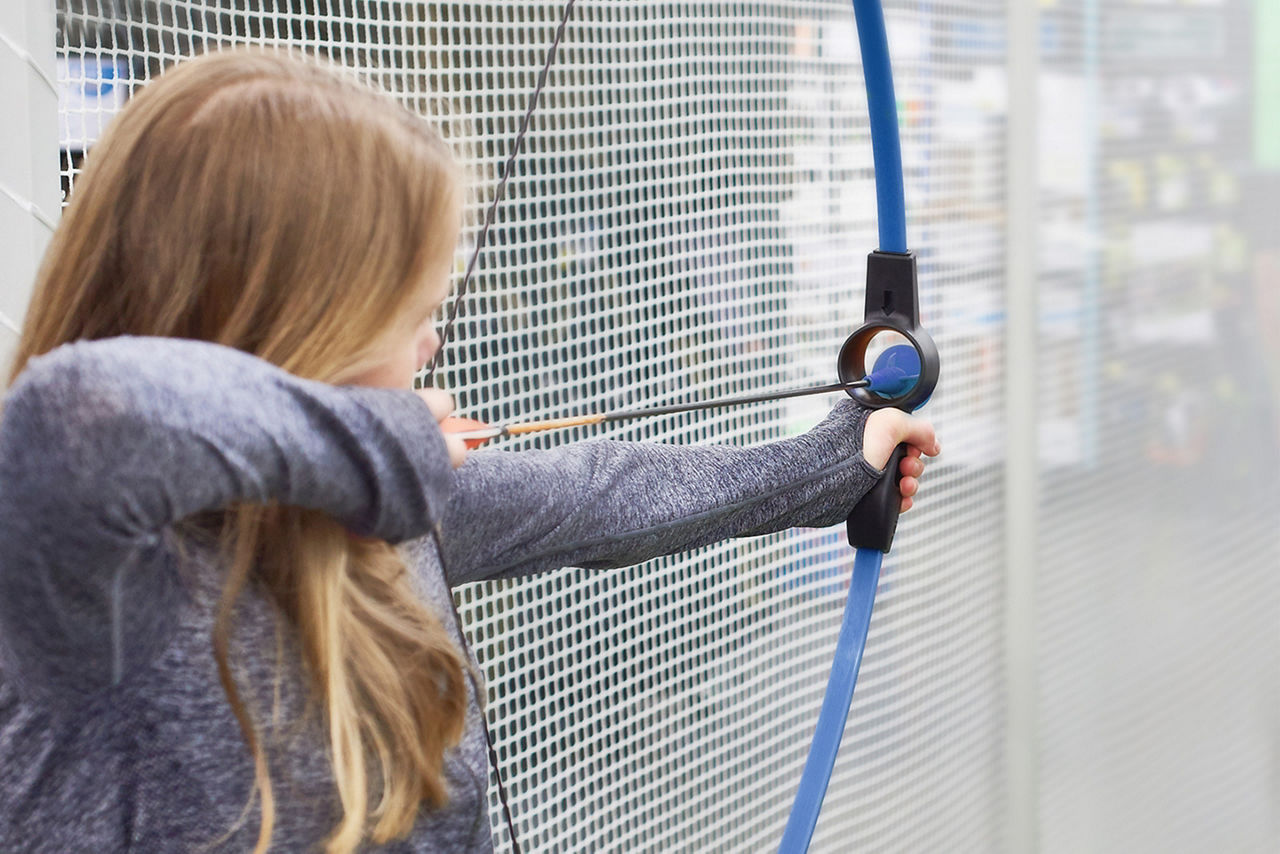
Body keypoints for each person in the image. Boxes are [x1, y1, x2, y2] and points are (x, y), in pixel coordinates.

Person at [0, 48, 939, 853]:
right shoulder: (98, 585)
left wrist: (836, 460)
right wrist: (384, 443)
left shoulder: (377, 518)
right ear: (300, 314)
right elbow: (80, 417)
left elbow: (605, 490)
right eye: (409, 309)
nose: (432, 343)